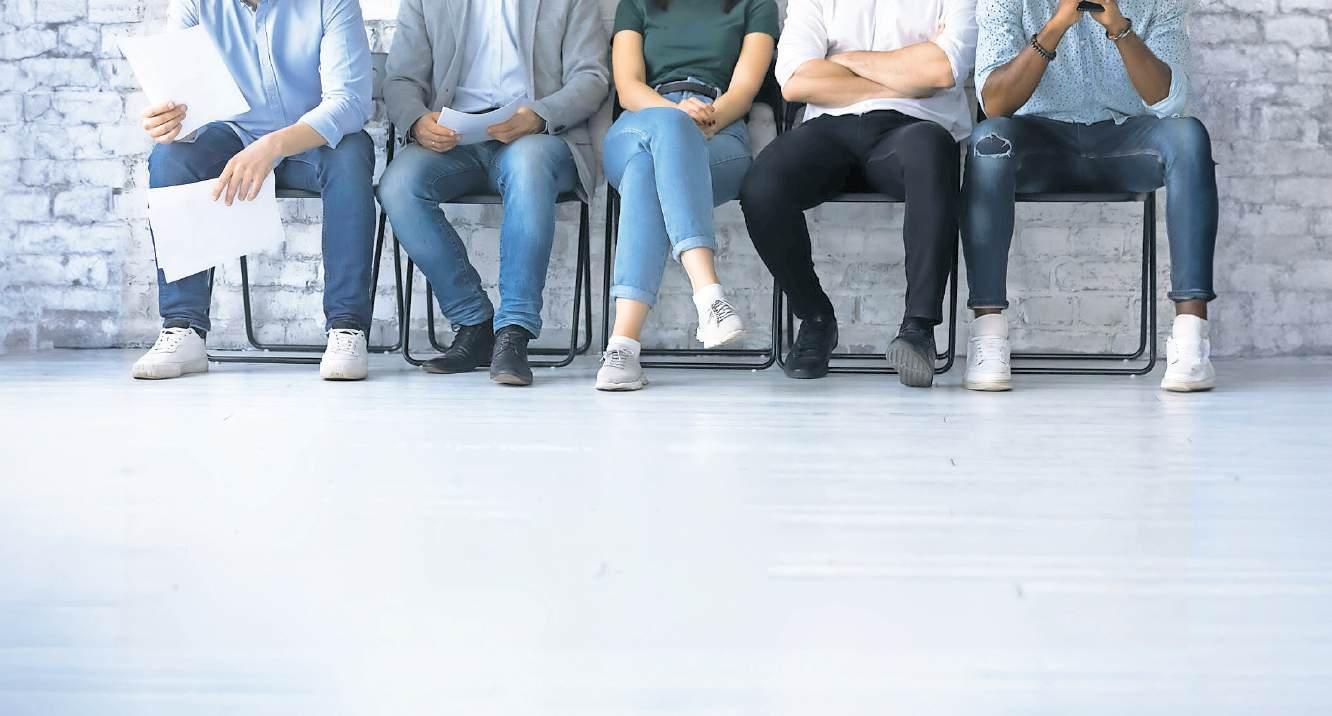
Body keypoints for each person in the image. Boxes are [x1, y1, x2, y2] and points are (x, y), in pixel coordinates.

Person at [963, 0, 1218, 392]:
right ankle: (988, 336)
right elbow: (995, 104)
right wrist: (1058, 24)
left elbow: (1170, 101)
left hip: (1125, 141)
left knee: (1188, 137)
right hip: (1039, 142)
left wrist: (1119, 27)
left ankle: (1191, 339)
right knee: (988, 142)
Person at [132, 0, 375, 381]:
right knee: (170, 158)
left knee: (352, 153)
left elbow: (350, 102)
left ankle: (347, 326)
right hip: (232, 136)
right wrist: (168, 122)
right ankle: (183, 326)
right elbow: (182, 98)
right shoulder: (194, 4)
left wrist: (272, 146)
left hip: (311, 139)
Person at [739, 0, 977, 387]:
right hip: (830, 127)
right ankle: (815, 318)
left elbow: (943, 70)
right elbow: (796, 81)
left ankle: (917, 330)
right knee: (762, 186)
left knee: (933, 152)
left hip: (914, 127)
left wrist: (844, 61)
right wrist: (906, 74)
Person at [377, 0, 609, 387]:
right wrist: (417, 120)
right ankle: (474, 323)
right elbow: (400, 79)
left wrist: (539, 115)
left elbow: (591, 77)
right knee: (398, 186)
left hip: (539, 135)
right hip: (455, 138)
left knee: (528, 166)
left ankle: (514, 331)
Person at [595, 0, 779, 392]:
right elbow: (628, 88)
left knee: (645, 173)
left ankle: (622, 347)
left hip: (719, 126)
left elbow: (744, 90)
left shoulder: (757, 4)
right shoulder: (636, 4)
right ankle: (709, 295)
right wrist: (676, 116)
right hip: (642, 120)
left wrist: (707, 118)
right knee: (664, 133)